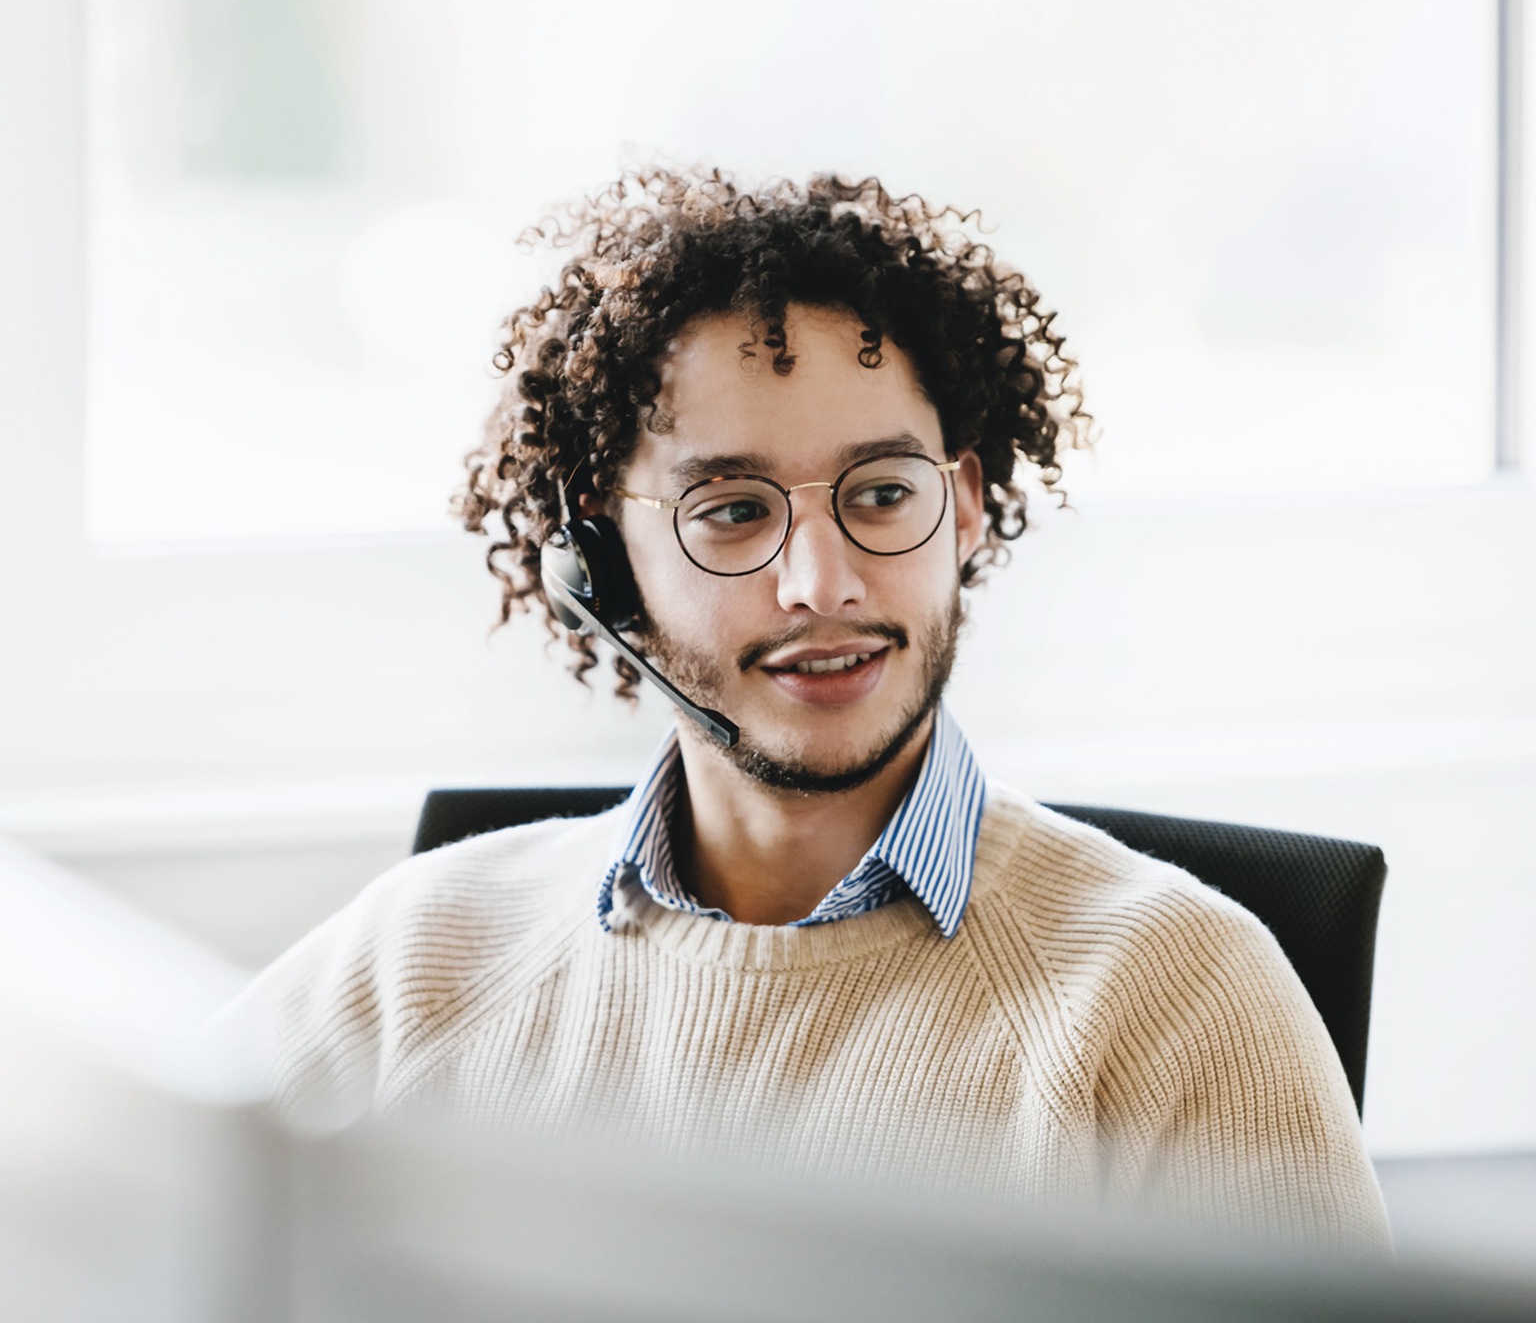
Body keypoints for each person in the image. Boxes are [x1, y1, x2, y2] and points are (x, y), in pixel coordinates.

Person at [226, 169, 1389, 1249]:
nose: (821, 582)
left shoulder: (1179, 1001)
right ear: (606, 558)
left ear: (968, 508)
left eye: (883, 494)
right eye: (732, 511)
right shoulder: (422, 958)